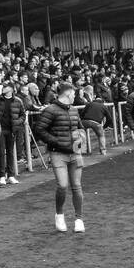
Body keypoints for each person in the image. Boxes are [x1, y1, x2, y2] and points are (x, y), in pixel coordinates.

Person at [33, 81, 87, 233]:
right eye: (74, 94)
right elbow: (39, 129)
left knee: (77, 186)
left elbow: (80, 127)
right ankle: (59, 215)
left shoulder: (74, 110)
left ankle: (78, 219)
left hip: (75, 152)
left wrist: (81, 138)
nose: (75, 96)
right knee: (62, 186)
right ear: (68, 94)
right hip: (58, 153)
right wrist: (56, 141)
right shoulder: (50, 110)